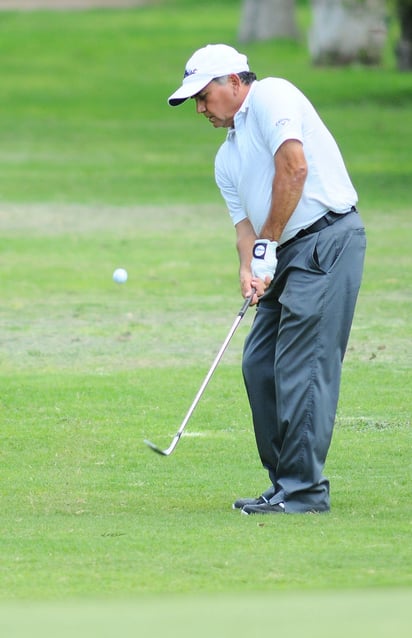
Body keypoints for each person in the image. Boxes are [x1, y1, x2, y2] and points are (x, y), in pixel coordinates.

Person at [168, 44, 366, 515]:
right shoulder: (226, 157)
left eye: (203, 95)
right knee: (259, 365)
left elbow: (293, 167)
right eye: (193, 100)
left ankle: (303, 493)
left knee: (302, 367)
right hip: (281, 253)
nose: (200, 108)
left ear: (235, 82)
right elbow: (245, 229)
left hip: (326, 240)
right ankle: (285, 483)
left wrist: (267, 245)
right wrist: (249, 266)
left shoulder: (272, 95)